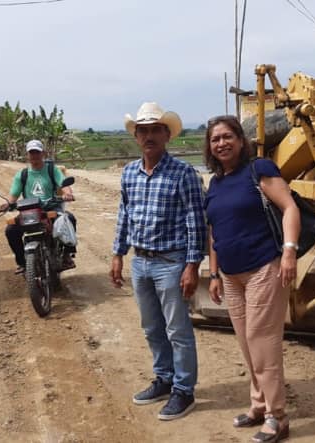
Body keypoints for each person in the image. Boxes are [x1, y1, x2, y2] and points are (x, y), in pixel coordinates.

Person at [203, 115, 299, 442]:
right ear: (209, 147)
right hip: (231, 276)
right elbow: (214, 233)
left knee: (262, 342)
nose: (221, 143)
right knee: (247, 343)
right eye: (215, 139)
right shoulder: (215, 184)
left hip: (263, 268)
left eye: (227, 136)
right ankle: (259, 405)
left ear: (240, 140)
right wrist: (213, 274)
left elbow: (289, 208)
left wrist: (289, 252)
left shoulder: (259, 170)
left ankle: (277, 416)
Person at [110, 102, 206, 421]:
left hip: (172, 262)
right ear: (136, 136)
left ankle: (184, 390)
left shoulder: (183, 173)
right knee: (152, 328)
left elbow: (196, 221)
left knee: (177, 330)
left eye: (155, 130)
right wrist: (118, 254)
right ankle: (164, 379)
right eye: (143, 131)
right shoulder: (129, 173)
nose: (149, 136)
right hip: (140, 263)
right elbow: (124, 215)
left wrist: (192, 265)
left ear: (167, 135)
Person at [2, 139, 75, 274]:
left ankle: (67, 255)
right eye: (31, 152)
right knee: (10, 230)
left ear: (43, 154)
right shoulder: (22, 174)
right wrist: (8, 204)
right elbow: (14, 195)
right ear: (27, 155)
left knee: (69, 218)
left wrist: (67, 193)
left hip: (51, 208)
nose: (34, 155)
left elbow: (63, 184)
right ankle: (22, 262)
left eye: (37, 152)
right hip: (30, 211)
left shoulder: (52, 170)